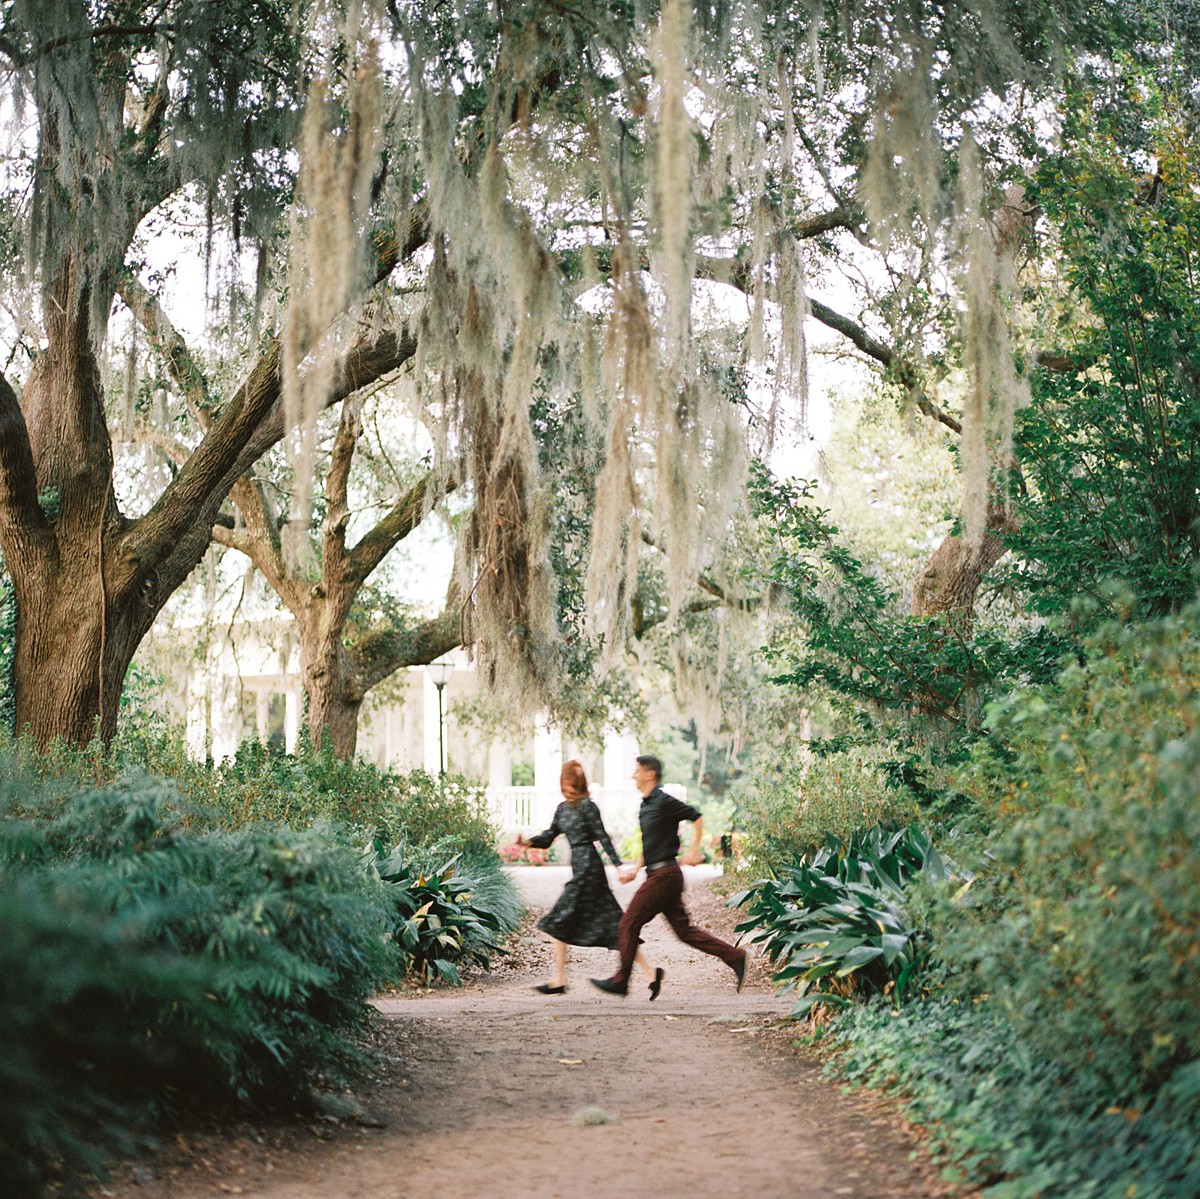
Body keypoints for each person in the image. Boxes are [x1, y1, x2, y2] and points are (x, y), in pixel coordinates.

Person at [590, 754, 748, 998]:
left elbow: (696, 816)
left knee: (628, 923)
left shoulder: (663, 801)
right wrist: (635, 868)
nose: (633, 775)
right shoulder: (646, 805)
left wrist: (694, 850)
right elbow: (650, 843)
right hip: (659, 874)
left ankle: (621, 980)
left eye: (637, 771)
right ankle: (735, 956)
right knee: (684, 932)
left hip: (665, 876)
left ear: (650, 774)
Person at [515, 759, 662, 997]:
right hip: (581, 867)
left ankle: (559, 980)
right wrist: (527, 842)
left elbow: (602, 837)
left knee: (559, 920)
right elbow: (549, 836)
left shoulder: (588, 806)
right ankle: (652, 973)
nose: (570, 783)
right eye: (568, 779)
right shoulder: (562, 809)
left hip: (589, 870)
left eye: (573, 780)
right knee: (616, 927)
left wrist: (618, 866)